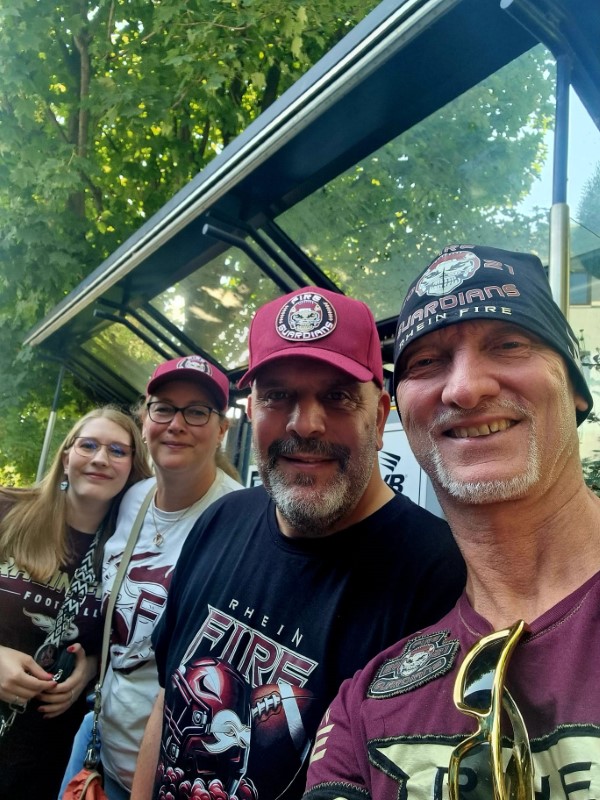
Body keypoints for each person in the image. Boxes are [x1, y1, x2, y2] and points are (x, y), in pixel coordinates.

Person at [131, 287, 466, 800]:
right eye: (278, 396)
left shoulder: (438, 576)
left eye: (337, 396)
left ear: (379, 418)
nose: (305, 424)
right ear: (252, 410)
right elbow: (166, 703)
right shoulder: (221, 518)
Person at [303, 244, 600, 800]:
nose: (464, 388)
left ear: (576, 389)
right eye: (425, 362)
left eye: (508, 344)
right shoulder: (365, 707)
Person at [66, 355, 242, 800]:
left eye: (197, 411)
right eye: (163, 409)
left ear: (222, 429)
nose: (176, 424)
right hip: (101, 747)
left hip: (174, 776)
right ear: (145, 421)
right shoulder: (132, 499)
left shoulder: (242, 520)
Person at [0, 405, 151, 800]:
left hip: (44, 762)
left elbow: (132, 645)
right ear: (66, 457)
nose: (100, 459)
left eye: (117, 451)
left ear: (132, 469)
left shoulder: (133, 554)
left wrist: (90, 671)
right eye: (88, 445)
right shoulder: (7, 510)